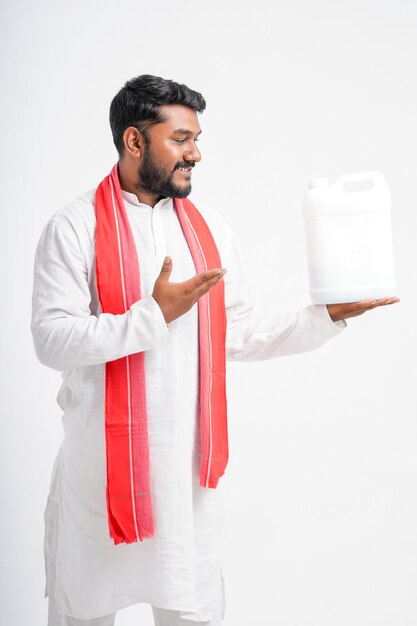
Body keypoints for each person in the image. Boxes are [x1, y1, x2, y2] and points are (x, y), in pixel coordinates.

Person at [31, 74, 399, 626]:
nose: (196, 153)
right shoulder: (74, 226)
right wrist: (152, 316)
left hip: (187, 484)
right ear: (135, 141)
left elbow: (239, 333)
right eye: (180, 139)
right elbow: (52, 340)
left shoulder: (210, 230)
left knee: (193, 611)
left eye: (196, 138)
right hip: (102, 480)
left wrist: (323, 318)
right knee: (87, 613)